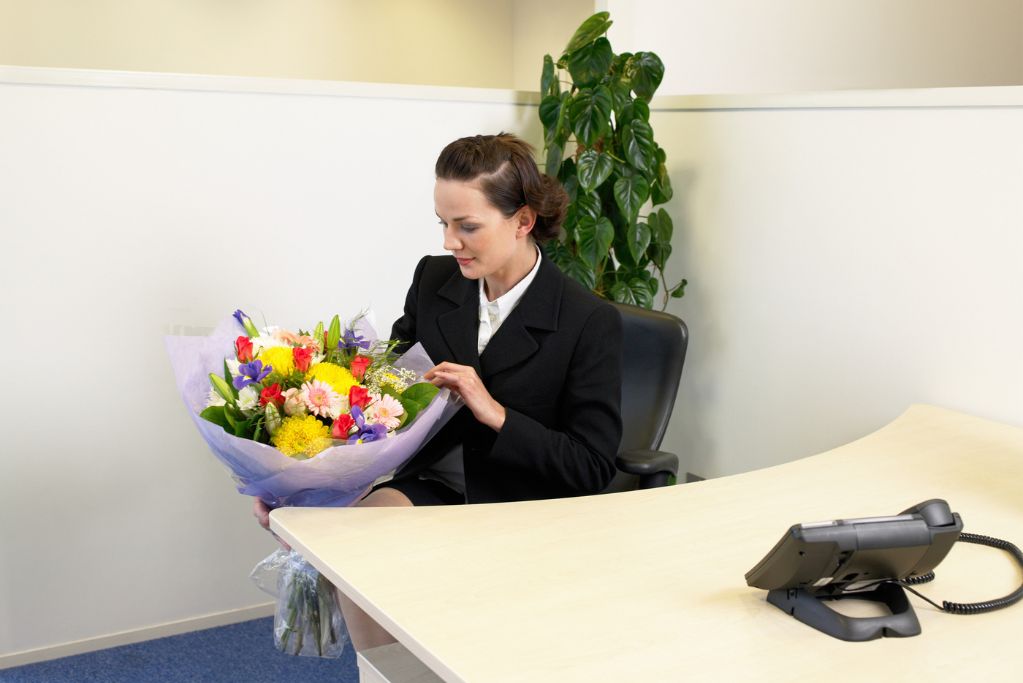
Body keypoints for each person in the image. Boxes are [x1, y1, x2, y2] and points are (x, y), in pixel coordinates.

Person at [254, 132, 623, 649]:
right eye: (444, 223)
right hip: (436, 484)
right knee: (351, 552)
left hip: (520, 504)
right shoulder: (434, 279)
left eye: (467, 226)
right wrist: (307, 460)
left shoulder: (589, 321)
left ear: (523, 221)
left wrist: (495, 413)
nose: (450, 242)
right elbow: (388, 388)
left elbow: (591, 467)